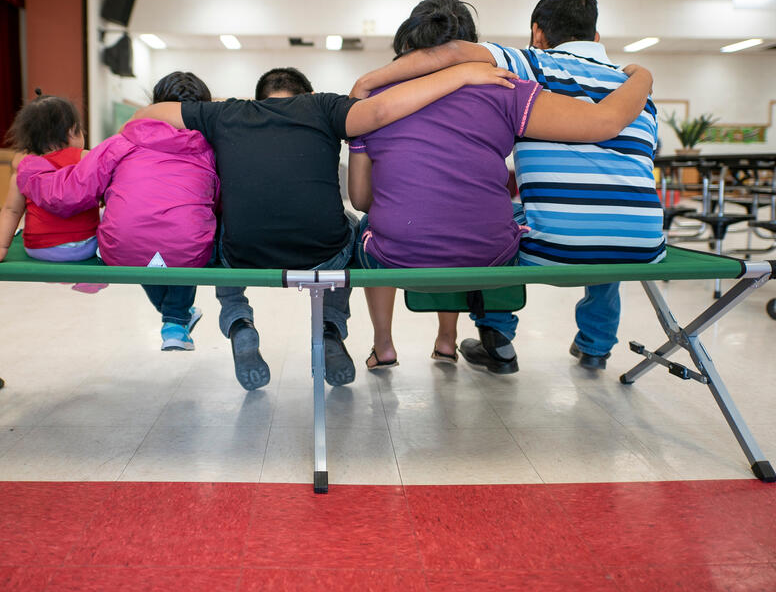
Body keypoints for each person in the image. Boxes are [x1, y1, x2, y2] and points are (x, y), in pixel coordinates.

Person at [132, 62, 516, 391]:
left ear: (258, 98)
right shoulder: (324, 106)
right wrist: (463, 73)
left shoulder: (227, 114)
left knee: (222, 231)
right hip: (321, 251)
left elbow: (145, 115)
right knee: (352, 229)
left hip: (245, 254)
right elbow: (381, 111)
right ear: (309, 93)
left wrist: (223, 106)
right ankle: (331, 328)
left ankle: (238, 320)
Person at [352, 0, 664, 372]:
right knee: (517, 220)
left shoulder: (523, 67)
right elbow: (602, 122)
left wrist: (366, 85)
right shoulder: (520, 85)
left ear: (537, 32)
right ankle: (582, 344)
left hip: (419, 251)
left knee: (484, 221)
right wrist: (644, 75)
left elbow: (363, 198)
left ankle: (444, 339)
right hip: (626, 242)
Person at [16, 72, 220, 351]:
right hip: (187, 249)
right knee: (182, 237)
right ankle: (175, 319)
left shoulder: (121, 142)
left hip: (122, 250)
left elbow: (68, 193)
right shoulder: (211, 149)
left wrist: (30, 170)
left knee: (141, 243)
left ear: (154, 104)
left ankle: (177, 317)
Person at [0, 93, 105, 294]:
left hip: (38, 249)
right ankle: (96, 277)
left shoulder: (24, 171)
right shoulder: (86, 158)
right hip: (84, 248)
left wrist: (0, 249)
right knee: (107, 216)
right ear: (72, 132)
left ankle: (61, 276)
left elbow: (11, 211)